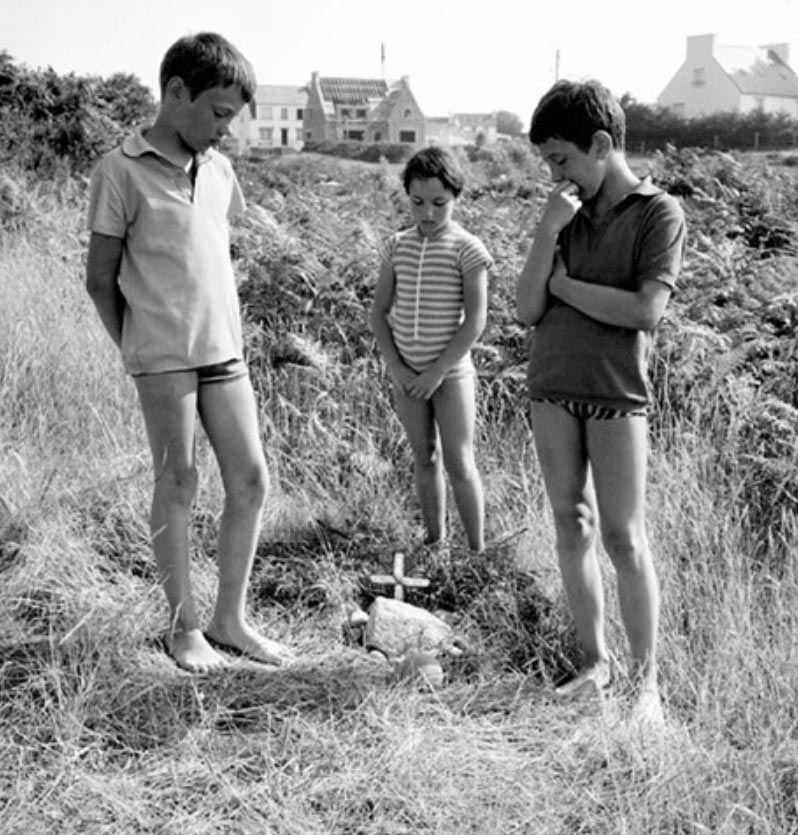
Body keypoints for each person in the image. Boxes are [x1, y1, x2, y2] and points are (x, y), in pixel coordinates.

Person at [85, 32, 292, 674]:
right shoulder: (119, 170)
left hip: (224, 352)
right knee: (178, 481)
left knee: (251, 480)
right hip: (163, 357)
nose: (226, 129)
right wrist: (139, 346)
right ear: (176, 94)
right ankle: (184, 630)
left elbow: (213, 254)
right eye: (219, 113)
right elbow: (100, 277)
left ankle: (230, 619)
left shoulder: (220, 171)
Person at [516, 79, 685, 722]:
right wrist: (546, 235)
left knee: (624, 536)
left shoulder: (658, 212)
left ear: (602, 144)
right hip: (552, 388)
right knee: (571, 525)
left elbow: (646, 310)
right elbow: (529, 308)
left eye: (561, 159)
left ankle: (646, 685)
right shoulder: (563, 213)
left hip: (617, 394)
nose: (555, 173)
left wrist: (567, 284)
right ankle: (596, 664)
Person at [370, 146, 493, 553]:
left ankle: (477, 553)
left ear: (455, 197)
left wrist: (437, 371)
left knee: (459, 461)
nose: (427, 213)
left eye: (439, 203)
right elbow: (378, 313)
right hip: (405, 373)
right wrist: (398, 369)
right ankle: (434, 545)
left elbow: (475, 320)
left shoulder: (468, 249)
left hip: (451, 375)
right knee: (424, 457)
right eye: (418, 202)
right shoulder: (396, 246)